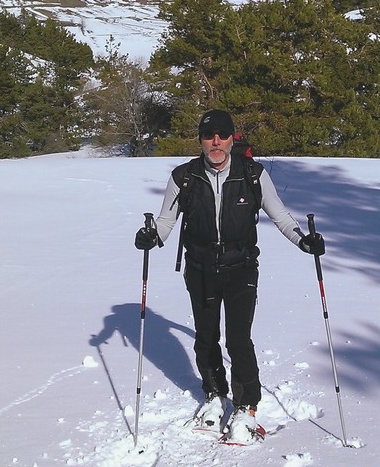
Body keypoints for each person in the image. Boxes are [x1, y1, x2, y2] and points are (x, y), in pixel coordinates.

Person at [133, 109, 325, 442]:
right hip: (200, 268)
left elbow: (279, 215)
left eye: (222, 135)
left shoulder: (252, 174)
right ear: (201, 141)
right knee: (206, 336)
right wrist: (152, 237)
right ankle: (214, 394)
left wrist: (302, 240)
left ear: (232, 138)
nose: (216, 142)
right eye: (209, 136)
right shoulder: (184, 177)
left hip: (241, 267)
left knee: (238, 339)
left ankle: (246, 405)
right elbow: (166, 221)